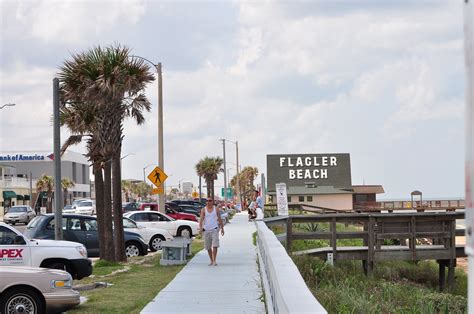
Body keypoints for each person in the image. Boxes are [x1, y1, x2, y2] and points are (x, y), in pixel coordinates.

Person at [199, 198, 225, 266]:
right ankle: (211, 260)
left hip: (215, 229)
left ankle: (214, 260)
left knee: (215, 245)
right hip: (206, 230)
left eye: (210, 201)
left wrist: (222, 228)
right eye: (207, 201)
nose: (208, 202)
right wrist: (200, 228)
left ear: (212, 202)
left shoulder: (216, 209)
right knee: (208, 247)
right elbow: (201, 219)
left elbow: (219, 219)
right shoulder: (203, 210)